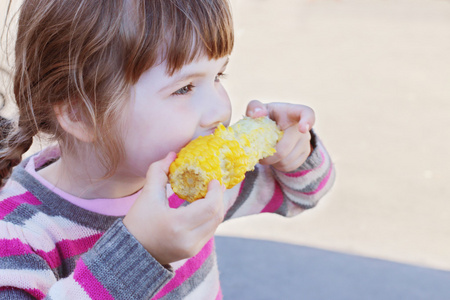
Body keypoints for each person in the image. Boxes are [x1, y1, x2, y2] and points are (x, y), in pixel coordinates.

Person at [0, 0, 335, 299]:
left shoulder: (193, 189)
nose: (220, 109)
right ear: (81, 115)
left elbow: (300, 195)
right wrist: (139, 254)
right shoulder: (20, 234)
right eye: (185, 87)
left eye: (218, 75)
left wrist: (293, 155)